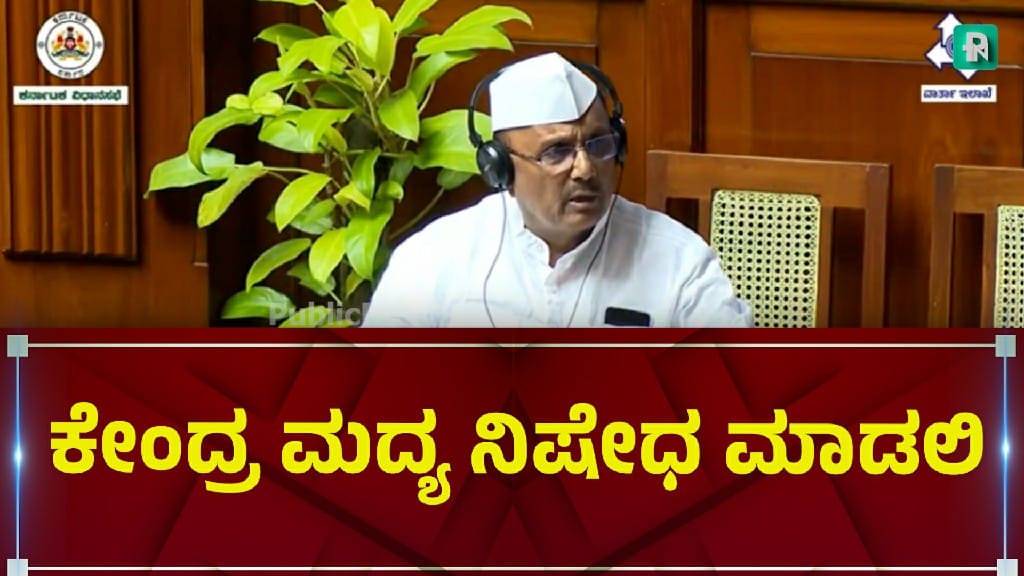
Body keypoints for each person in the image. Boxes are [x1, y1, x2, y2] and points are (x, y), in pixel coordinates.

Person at [361, 52, 753, 328]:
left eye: (598, 145)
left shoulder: (678, 262)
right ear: (500, 168)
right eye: (557, 152)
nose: (585, 169)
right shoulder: (435, 258)